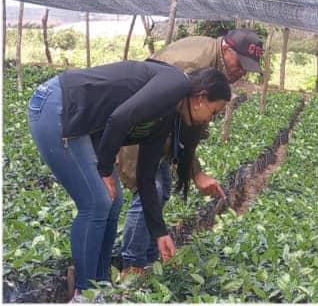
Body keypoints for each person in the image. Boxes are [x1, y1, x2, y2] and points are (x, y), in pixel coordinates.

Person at [27, 61, 230, 297]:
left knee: (113, 202)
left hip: (82, 122)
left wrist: (160, 233)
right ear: (201, 98)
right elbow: (120, 119)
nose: (208, 120)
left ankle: (100, 287)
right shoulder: (176, 84)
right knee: (97, 202)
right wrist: (105, 171)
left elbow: (145, 175)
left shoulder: (167, 114)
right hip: (58, 106)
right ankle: (84, 294)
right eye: (213, 112)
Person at [119, 29, 262, 273]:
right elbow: (170, 115)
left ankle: (151, 257)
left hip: (158, 129)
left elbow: (189, 123)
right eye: (241, 63)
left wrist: (195, 171)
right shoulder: (193, 65)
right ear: (226, 50)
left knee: (160, 189)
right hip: (139, 123)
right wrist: (194, 171)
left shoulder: (212, 66)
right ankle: (132, 266)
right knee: (149, 190)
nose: (242, 71)